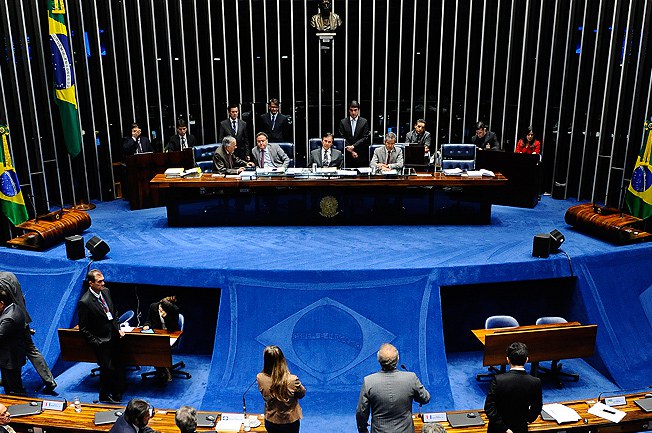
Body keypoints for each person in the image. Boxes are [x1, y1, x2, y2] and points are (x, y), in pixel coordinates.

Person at [0, 271, 57, 394]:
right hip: (21, 316)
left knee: (11, 351)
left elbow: (3, 305)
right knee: (31, 349)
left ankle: (10, 381)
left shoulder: (1, 285)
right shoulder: (10, 275)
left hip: (10, 323)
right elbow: (22, 297)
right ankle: (49, 380)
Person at [356, 343, 430, 433]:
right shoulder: (411, 378)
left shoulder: (369, 381)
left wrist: (362, 429)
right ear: (397, 359)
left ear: (378, 359)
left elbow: (361, 412)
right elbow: (425, 398)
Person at [77, 269, 125, 403]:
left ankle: (117, 393)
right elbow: (84, 329)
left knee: (117, 366)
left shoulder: (106, 292)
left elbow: (113, 313)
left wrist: (118, 328)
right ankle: (104, 395)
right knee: (107, 369)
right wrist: (97, 342)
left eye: (103, 280)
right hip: (101, 342)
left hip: (114, 337)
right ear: (91, 283)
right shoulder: (85, 302)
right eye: (99, 282)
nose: (103, 283)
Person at [484, 342, 543, 433]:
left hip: (497, 430)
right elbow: (537, 408)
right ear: (527, 360)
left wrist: (504, 429)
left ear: (508, 360)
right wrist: (527, 421)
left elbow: (489, 407)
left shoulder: (498, 380)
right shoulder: (535, 382)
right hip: (520, 428)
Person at [257, 345, 306, 433]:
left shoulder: (260, 377)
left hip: (271, 421)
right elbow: (301, 394)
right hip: (289, 422)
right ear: (282, 359)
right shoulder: (292, 380)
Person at [142, 296, 179, 382]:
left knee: (162, 347)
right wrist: (146, 325)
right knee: (151, 345)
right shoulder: (153, 307)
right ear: (160, 306)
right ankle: (161, 368)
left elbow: (174, 327)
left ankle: (164, 370)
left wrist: (166, 316)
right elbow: (148, 320)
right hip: (157, 334)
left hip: (170, 334)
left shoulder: (174, 309)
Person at [0, 288, 26, 395]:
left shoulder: (8, 318)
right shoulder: (15, 308)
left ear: (1, 303)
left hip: (9, 359)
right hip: (12, 355)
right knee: (10, 386)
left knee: (14, 390)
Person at [339, 101, 370, 167]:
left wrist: (354, 146)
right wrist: (351, 150)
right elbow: (342, 137)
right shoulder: (343, 122)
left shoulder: (364, 122)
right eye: (351, 110)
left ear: (358, 110)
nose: (353, 112)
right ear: (348, 110)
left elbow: (365, 137)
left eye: (355, 110)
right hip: (347, 154)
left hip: (361, 153)